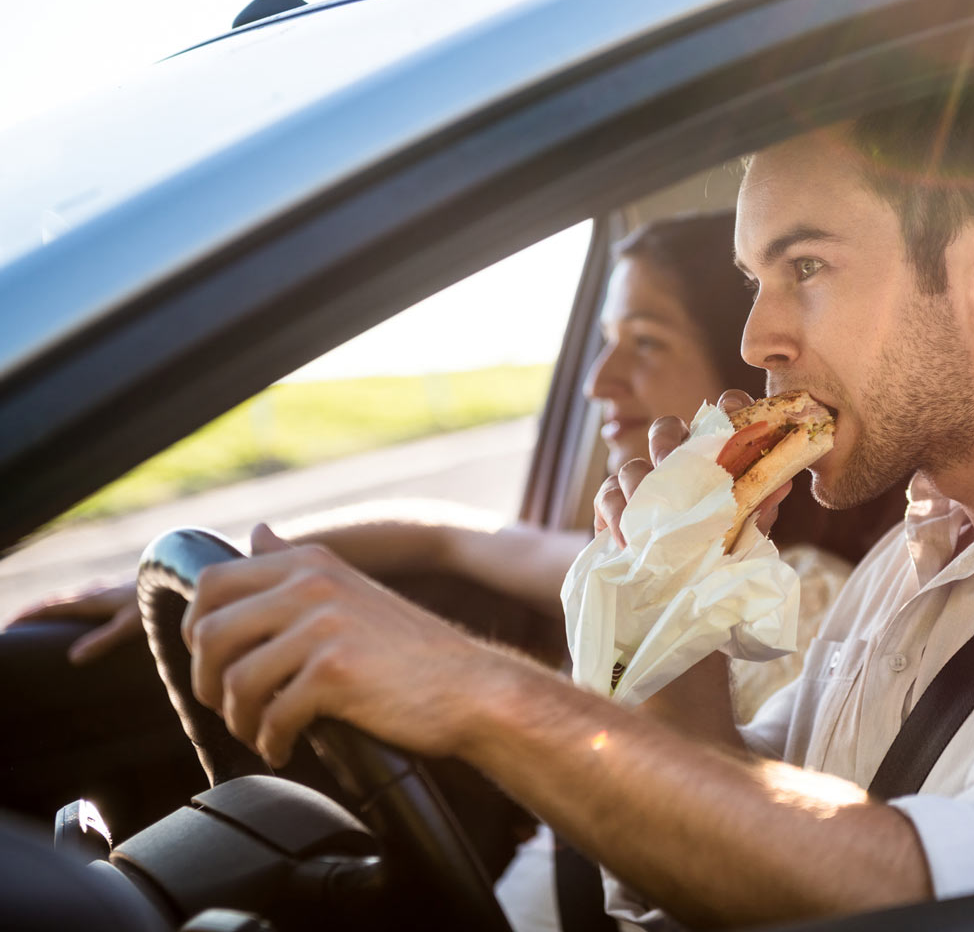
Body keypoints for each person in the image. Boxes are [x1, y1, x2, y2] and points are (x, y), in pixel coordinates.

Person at [161, 75, 974, 930]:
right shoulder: (919, 554)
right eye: (754, 276)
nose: (759, 334)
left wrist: (479, 690)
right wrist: (670, 614)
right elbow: (742, 839)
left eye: (806, 267)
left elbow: (921, 895)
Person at [7, 212, 889, 727]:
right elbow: (456, 537)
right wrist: (222, 570)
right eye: (604, 342)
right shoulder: (636, 565)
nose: (598, 381)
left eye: (646, 345)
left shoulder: (810, 607)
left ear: (743, 385)